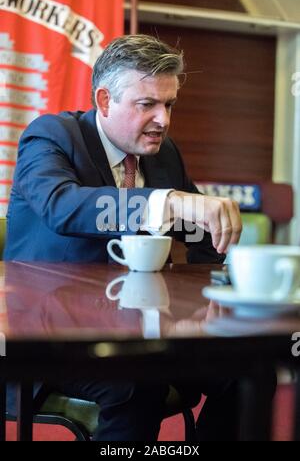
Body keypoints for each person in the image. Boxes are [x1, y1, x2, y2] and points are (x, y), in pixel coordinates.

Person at [4, 34, 273, 441]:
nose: (163, 119)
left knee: (250, 370)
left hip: (148, 330)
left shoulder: (165, 155)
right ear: (105, 100)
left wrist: (222, 275)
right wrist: (167, 201)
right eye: (147, 104)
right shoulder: (52, 136)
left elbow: (200, 237)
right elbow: (62, 206)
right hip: (56, 334)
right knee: (136, 383)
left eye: (169, 105)